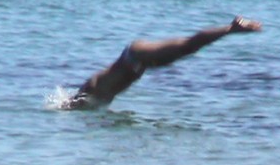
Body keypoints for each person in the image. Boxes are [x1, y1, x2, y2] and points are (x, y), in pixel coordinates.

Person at [64, 16, 262, 110]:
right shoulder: (94, 95)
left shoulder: (88, 93)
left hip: (135, 57)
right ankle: (230, 29)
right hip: (137, 63)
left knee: (188, 46)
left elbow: (79, 98)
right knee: (188, 48)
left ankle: (231, 28)